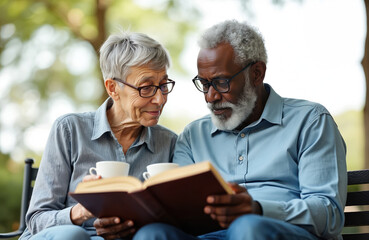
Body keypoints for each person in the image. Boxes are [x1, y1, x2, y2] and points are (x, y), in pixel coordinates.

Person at [132, 20, 347, 240]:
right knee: (152, 234)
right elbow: (179, 210)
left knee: (248, 228)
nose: (210, 96)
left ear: (256, 74)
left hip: (275, 233)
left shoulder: (310, 121)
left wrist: (258, 209)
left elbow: (330, 215)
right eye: (204, 84)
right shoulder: (193, 136)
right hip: (211, 235)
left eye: (221, 82)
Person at [19, 30, 177, 240]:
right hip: (66, 237)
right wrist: (82, 210)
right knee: (73, 236)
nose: (160, 99)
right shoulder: (70, 130)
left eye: (164, 85)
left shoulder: (169, 142)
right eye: (146, 87)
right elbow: (36, 220)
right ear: (113, 88)